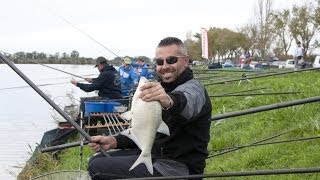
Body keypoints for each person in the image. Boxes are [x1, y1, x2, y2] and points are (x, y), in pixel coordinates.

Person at [87, 37, 212, 179]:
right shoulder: (161, 88)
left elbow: (186, 102)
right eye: (159, 62)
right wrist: (114, 141)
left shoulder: (195, 88)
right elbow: (146, 130)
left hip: (178, 168)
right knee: (96, 159)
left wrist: (168, 100)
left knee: (96, 168)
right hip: (155, 153)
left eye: (171, 60)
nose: (165, 66)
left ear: (185, 60)